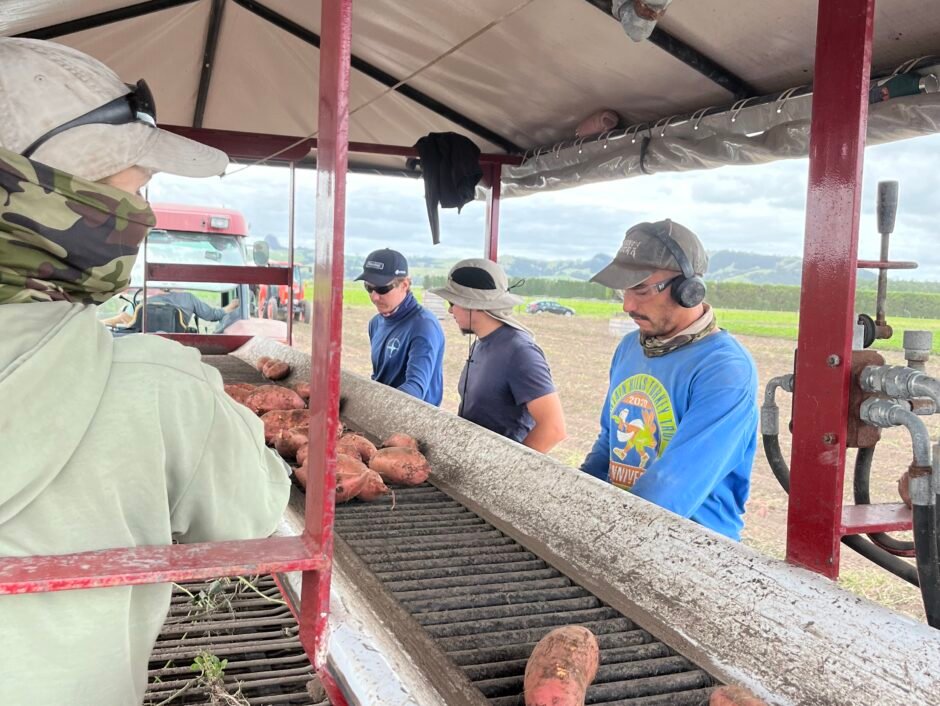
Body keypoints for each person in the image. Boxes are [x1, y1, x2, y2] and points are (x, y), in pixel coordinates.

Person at [0, 38, 290, 706]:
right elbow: (252, 515)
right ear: (45, 202)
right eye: (133, 191)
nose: (146, 217)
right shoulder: (159, 387)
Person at [580, 219, 758, 540]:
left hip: (691, 546)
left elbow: (671, 488)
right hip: (626, 528)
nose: (627, 305)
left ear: (688, 290)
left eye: (641, 290)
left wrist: (601, 535)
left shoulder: (724, 369)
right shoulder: (629, 348)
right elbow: (611, 442)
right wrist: (574, 498)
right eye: (623, 290)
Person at [430, 258, 566, 453]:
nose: (450, 309)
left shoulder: (520, 352)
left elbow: (553, 428)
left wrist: (509, 470)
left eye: (453, 302)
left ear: (474, 304)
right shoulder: (479, 344)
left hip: (498, 472)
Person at [356, 248, 445, 405]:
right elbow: (379, 377)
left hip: (413, 421)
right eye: (368, 287)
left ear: (404, 285)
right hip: (385, 413)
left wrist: (373, 405)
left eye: (382, 289)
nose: (374, 297)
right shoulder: (376, 323)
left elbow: (415, 390)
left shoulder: (424, 326)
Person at [102, 289, 240, 332]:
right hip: (178, 345)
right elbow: (213, 315)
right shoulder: (188, 299)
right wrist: (231, 306)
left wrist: (99, 322)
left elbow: (118, 321)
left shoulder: (142, 300)